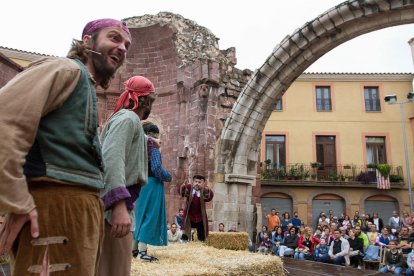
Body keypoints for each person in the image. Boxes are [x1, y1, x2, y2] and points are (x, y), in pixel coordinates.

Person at [0, 18, 131, 275]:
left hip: (80, 211)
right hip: (54, 209)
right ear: (88, 41)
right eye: (114, 38)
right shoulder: (67, 70)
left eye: (126, 44)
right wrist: (17, 200)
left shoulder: (85, 85)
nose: (123, 48)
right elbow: (6, 119)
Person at [98, 76, 157, 273]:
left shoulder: (127, 119)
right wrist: (119, 206)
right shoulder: (128, 118)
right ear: (145, 100)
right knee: (113, 269)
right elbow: (112, 158)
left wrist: (149, 141)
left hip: (118, 206)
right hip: (113, 210)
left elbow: (127, 143)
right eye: (151, 101)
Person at [134, 122, 172, 261]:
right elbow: (156, 168)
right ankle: (142, 253)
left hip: (140, 183)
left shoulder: (137, 147)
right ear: (154, 135)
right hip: (152, 184)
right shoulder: (153, 147)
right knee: (150, 216)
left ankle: (134, 249)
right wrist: (168, 176)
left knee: (139, 216)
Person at [177, 175, 214, 242]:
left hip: (200, 217)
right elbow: (181, 193)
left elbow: (209, 197)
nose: (197, 183)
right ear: (193, 182)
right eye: (195, 181)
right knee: (185, 233)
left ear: (203, 183)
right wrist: (183, 187)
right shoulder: (189, 187)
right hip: (189, 216)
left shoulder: (204, 190)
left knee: (202, 235)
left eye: (199, 182)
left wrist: (207, 190)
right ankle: (184, 244)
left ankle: (201, 244)